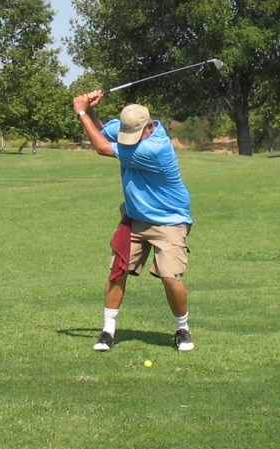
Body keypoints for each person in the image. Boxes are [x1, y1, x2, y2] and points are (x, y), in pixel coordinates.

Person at [73, 90, 194, 352]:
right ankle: (107, 331)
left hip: (169, 221)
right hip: (135, 219)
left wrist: (81, 112)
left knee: (170, 277)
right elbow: (106, 132)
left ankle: (182, 329)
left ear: (149, 126)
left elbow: (102, 147)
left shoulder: (155, 148)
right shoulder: (127, 126)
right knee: (117, 272)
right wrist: (94, 111)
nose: (130, 140)